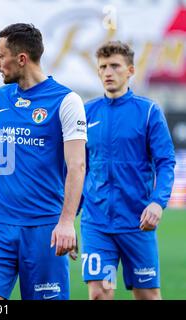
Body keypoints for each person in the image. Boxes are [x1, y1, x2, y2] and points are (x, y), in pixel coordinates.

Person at [0, 23, 87, 300]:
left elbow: (77, 167)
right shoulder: (1, 97)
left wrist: (66, 222)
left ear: (21, 59)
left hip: (44, 228)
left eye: (0, 56)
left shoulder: (67, 101)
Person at [80, 41, 176, 300]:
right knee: (100, 294)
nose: (108, 72)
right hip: (97, 223)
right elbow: (79, 168)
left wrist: (157, 203)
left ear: (130, 70)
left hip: (137, 223)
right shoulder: (86, 113)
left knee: (148, 296)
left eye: (115, 66)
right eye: (103, 67)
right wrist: (67, 218)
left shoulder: (148, 112)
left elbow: (166, 162)